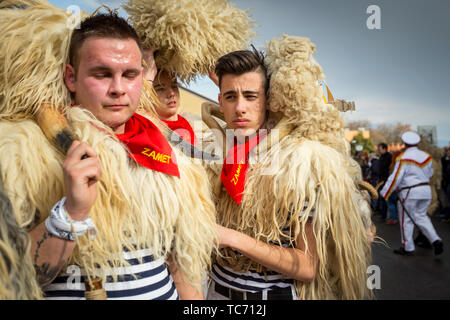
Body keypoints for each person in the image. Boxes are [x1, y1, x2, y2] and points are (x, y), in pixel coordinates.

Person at [0, 4, 216, 300]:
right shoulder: (25, 154)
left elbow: (181, 263)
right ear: (71, 77)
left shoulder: (170, 154)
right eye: (102, 74)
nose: (118, 88)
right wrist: (71, 213)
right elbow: (14, 277)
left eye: (129, 74)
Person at [204, 43, 373, 300]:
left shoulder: (299, 165)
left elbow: (307, 267)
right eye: (230, 96)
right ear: (220, 101)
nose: (240, 107)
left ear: (268, 101)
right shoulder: (209, 156)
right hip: (215, 295)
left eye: (250, 96)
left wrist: (232, 239)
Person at [380, 131, 443, 256]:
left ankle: (407, 247)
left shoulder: (403, 158)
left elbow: (396, 177)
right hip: (425, 191)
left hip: (410, 192)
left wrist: (384, 192)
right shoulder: (426, 156)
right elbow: (431, 174)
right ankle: (435, 240)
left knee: (405, 220)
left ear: (405, 144)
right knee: (421, 217)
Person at [151, 70, 197, 145]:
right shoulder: (146, 127)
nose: (171, 93)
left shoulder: (185, 122)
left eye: (174, 86)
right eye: (160, 89)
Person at [376, 143, 392, 220]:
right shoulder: (381, 157)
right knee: (382, 198)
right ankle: (383, 215)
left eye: (380, 149)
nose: (379, 151)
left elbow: (389, 169)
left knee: (388, 199)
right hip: (381, 180)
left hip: (387, 180)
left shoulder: (389, 157)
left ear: (385, 148)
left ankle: (391, 217)